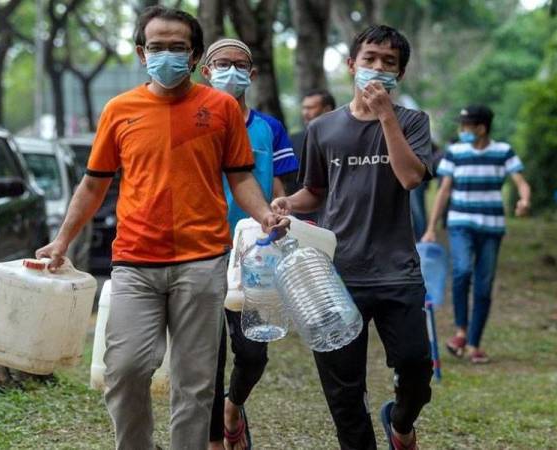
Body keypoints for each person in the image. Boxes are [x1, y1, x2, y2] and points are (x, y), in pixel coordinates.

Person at [35, 6, 288, 450]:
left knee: (195, 382)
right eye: (156, 47)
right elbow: (93, 185)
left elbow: (241, 176)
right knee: (126, 369)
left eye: (177, 48)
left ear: (193, 57)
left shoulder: (221, 108)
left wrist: (265, 214)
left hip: (202, 260)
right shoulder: (120, 110)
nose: (166, 55)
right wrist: (62, 240)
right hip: (135, 259)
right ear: (140, 52)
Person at [272, 25, 433, 450]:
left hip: (398, 271)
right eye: (370, 59)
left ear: (401, 73)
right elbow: (316, 192)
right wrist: (287, 204)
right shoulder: (323, 129)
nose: (378, 68)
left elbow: (411, 177)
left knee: (417, 371)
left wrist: (385, 116)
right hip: (336, 276)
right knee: (344, 391)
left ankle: (401, 425)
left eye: (389, 62)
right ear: (351, 65)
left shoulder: (413, 121)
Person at [200, 38, 299, 450]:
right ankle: (214, 441)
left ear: (252, 75)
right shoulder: (195, 120)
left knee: (253, 352)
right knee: (209, 357)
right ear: (205, 71)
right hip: (203, 248)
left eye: (240, 65)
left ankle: (233, 406)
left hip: (254, 251)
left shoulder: (268, 128)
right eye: (221, 64)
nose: (231, 71)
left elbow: (280, 188)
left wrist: (282, 216)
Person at [421, 105, 531, 364]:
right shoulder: (455, 152)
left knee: (483, 285)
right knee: (461, 271)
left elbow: (521, 183)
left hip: (492, 228)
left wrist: (524, 200)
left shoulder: (503, 151)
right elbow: (444, 191)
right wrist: (430, 228)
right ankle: (460, 331)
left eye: (466, 126)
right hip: (460, 223)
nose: (462, 131)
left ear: (481, 128)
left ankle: (473, 344)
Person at [286, 89, 336, 209]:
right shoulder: (293, 141)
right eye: (304, 108)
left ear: (327, 109)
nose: (305, 113)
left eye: (311, 108)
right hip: (303, 212)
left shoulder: (342, 138)